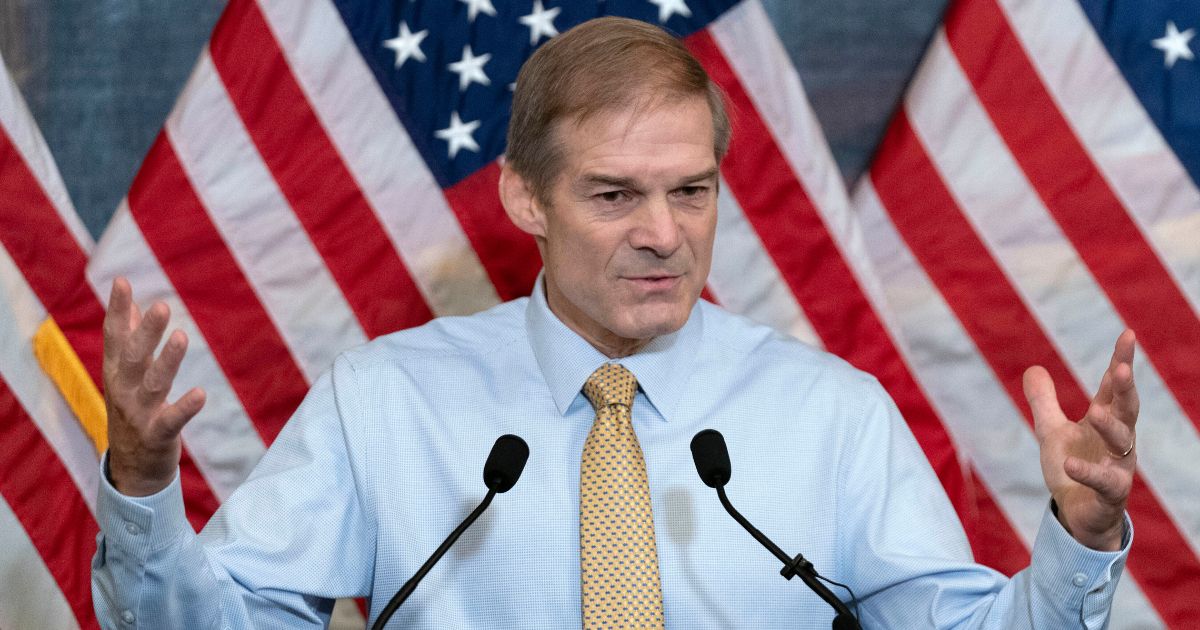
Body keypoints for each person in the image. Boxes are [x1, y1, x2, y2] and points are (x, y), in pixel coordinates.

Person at [92, 16, 1138, 629]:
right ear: (524, 202)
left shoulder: (831, 413)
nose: (665, 234)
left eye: (692, 190)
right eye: (613, 196)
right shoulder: (386, 400)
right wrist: (142, 489)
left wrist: (1079, 540)